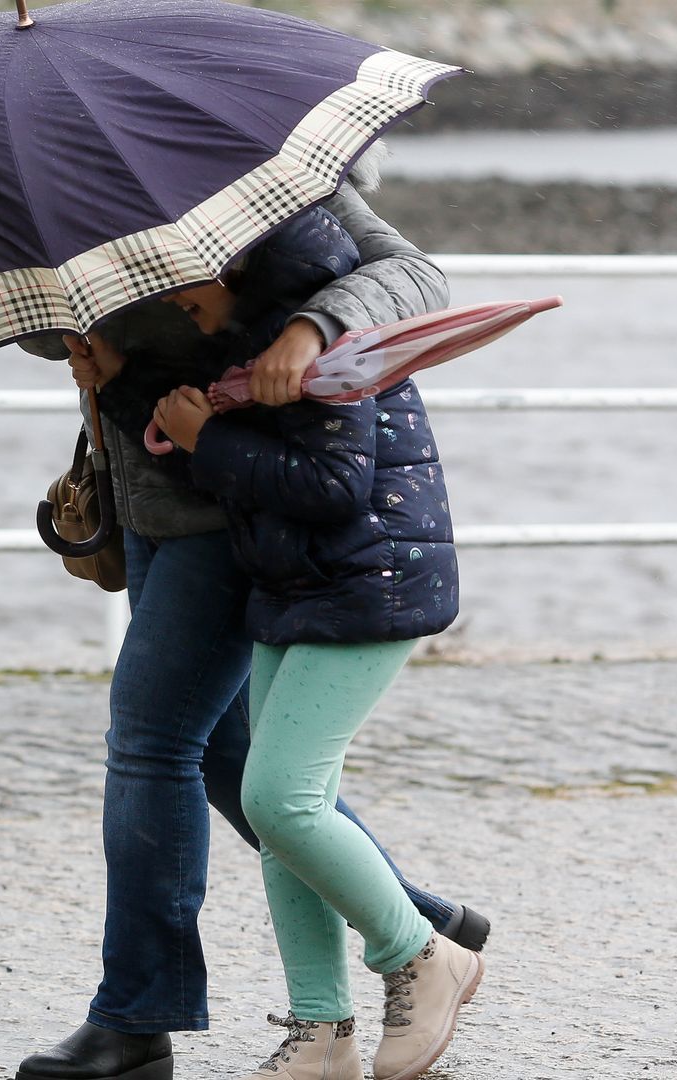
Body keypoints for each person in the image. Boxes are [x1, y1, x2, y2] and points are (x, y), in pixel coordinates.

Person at [14, 158, 491, 1080]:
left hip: (240, 506)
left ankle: (137, 1017)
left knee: (153, 742)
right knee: (241, 762)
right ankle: (404, 937)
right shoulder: (60, 164)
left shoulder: (253, 165)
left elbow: (412, 277)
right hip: (153, 492)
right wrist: (83, 325)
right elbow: (41, 327)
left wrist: (308, 326)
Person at [147, 208, 480, 1080]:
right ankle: (320, 1028)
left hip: (370, 588)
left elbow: (333, 487)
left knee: (279, 798)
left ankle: (419, 954)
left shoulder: (327, 360)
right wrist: (164, 412)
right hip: (296, 591)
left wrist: (210, 439)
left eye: (189, 282)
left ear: (239, 269)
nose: (176, 297)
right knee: (291, 812)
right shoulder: (254, 354)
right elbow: (246, 467)